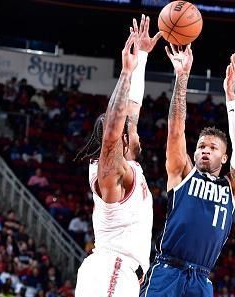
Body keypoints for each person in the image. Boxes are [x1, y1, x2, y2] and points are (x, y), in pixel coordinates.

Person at [140, 49, 235, 297]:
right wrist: (182, 77)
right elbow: (176, 131)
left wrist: (231, 98)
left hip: (201, 278)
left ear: (224, 157)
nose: (204, 151)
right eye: (201, 146)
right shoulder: (182, 173)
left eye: (212, 148)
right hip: (167, 269)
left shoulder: (232, 189)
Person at [74, 15, 161, 297]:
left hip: (119, 273)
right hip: (111, 270)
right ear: (121, 140)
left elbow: (132, 108)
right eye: (129, 129)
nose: (137, 127)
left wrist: (144, 57)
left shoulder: (129, 161)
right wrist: (125, 73)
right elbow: (114, 128)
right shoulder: (111, 172)